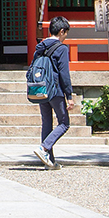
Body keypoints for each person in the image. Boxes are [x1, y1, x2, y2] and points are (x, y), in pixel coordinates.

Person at [30, 16, 75, 169]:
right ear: (62, 31)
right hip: (55, 90)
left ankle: (49, 161)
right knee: (64, 123)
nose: (65, 36)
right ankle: (43, 149)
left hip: (41, 88)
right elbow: (64, 73)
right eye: (66, 33)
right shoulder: (61, 48)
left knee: (47, 124)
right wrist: (69, 95)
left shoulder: (40, 46)